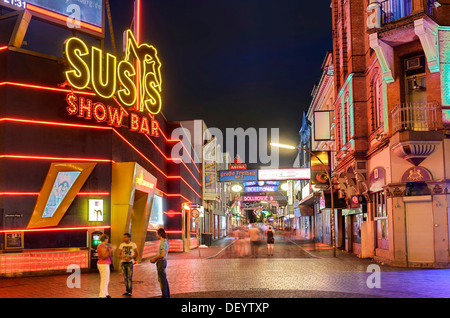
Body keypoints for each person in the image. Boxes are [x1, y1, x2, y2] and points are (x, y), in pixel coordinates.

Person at [150, 228, 170, 298]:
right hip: (163, 261)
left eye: (157, 234)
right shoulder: (166, 241)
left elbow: (162, 254)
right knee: (164, 279)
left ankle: (165, 295)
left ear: (160, 234)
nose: (156, 235)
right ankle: (167, 294)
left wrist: (154, 258)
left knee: (162, 280)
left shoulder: (163, 242)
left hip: (161, 262)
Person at [97, 234, 112, 298]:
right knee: (104, 279)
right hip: (103, 264)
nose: (108, 240)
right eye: (107, 239)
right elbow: (104, 255)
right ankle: (102, 295)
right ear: (105, 239)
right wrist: (110, 251)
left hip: (103, 263)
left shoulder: (102, 245)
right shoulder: (103, 246)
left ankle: (106, 293)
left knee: (106, 279)